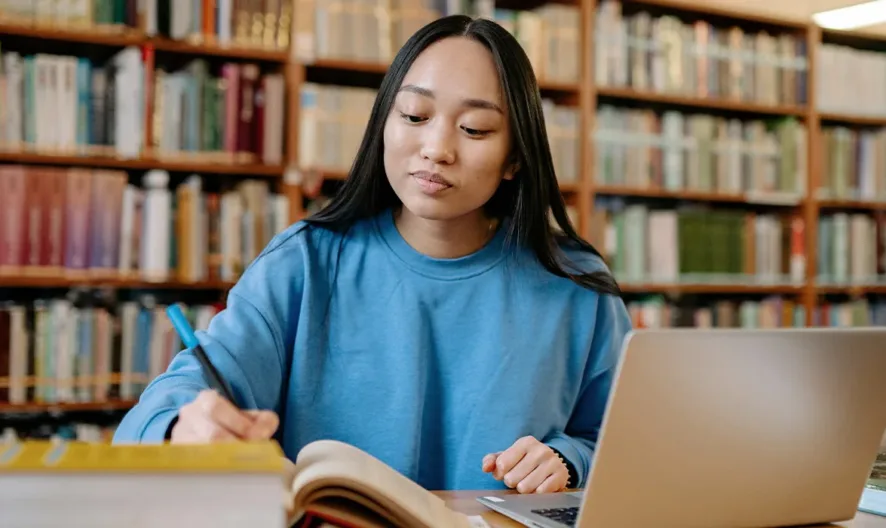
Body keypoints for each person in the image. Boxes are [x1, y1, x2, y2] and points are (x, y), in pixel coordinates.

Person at [112, 14, 632, 495]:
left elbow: (628, 445)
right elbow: (164, 406)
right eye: (413, 115)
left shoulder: (575, 284)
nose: (436, 148)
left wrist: (567, 461)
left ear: (515, 157)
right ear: (384, 121)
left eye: (474, 128)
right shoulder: (304, 263)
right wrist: (183, 426)